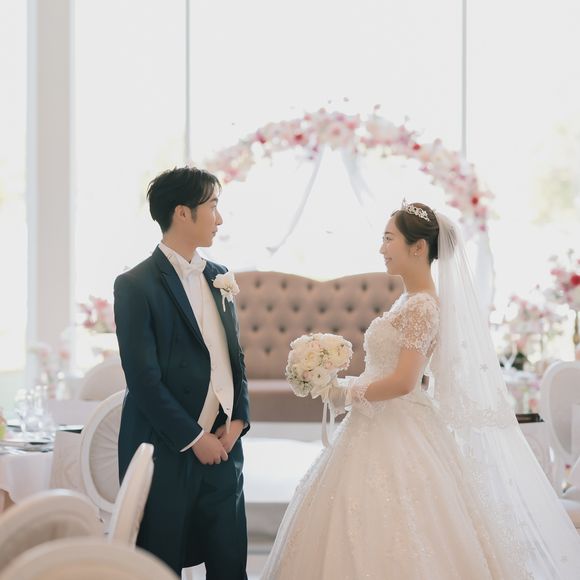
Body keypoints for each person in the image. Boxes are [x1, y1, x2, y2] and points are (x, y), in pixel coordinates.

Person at [262, 200, 580, 579]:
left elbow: (404, 381)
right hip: (375, 418)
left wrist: (345, 392)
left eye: (388, 239)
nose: (381, 248)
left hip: (397, 422)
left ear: (418, 247)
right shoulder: (409, 300)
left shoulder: (423, 307)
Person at [114, 166, 250, 578]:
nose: (219, 219)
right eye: (213, 207)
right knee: (160, 566)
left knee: (230, 566)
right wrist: (194, 438)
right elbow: (143, 381)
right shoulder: (135, 285)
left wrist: (238, 420)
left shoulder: (220, 277)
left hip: (224, 447)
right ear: (183, 213)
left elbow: (234, 359)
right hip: (166, 449)